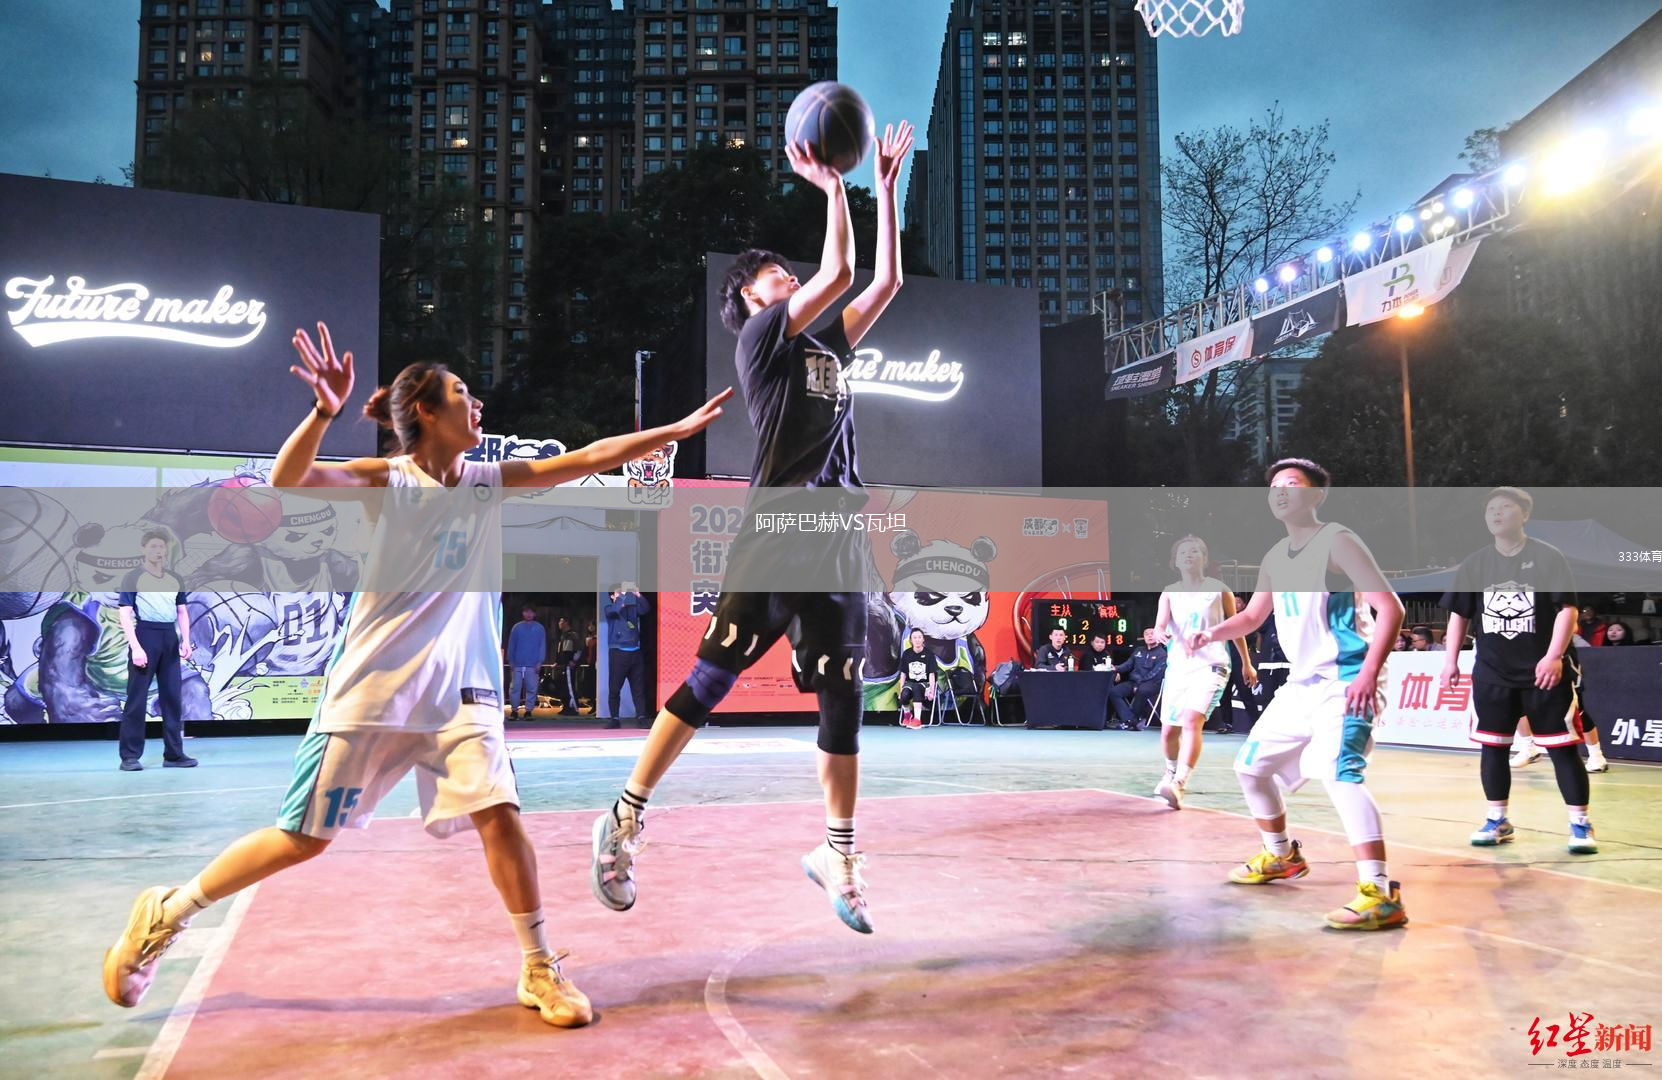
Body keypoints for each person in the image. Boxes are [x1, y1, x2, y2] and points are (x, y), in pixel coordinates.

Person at [101, 320, 732, 1026]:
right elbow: (288, 480)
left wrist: (671, 432)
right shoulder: (390, 481)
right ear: (426, 412)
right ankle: (169, 910)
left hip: (462, 693)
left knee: (501, 818)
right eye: (462, 392)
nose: (478, 403)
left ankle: (538, 966)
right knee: (304, 838)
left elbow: (586, 458)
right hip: (375, 691)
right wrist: (323, 411)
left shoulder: (486, 483)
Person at [589, 122, 915, 937]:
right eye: (775, 273)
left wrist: (886, 189)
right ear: (748, 299)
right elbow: (840, 272)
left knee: (843, 700)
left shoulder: (824, 346)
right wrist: (836, 186)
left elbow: (884, 281)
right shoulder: (763, 339)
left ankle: (838, 851)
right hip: (779, 530)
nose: (788, 275)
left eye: (786, 270)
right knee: (710, 681)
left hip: (838, 537)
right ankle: (624, 816)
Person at [1190, 458, 1407, 931]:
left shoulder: (1338, 542)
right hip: (1303, 684)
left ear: (1316, 496)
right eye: (1275, 486)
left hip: (1347, 678)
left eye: (1292, 483)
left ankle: (1380, 893)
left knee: (1340, 774)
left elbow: (1391, 608)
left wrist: (1369, 673)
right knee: (1250, 767)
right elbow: (1253, 617)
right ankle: (1282, 856)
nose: (1281, 491)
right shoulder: (1274, 557)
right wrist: (1211, 633)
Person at [1439, 486, 1597, 855]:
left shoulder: (1548, 557)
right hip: (1492, 673)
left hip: (1544, 673)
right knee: (1493, 748)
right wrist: (1450, 660)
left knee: (1562, 749)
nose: (1496, 513)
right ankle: (1498, 820)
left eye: (1505, 507)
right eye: (1490, 509)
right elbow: (1459, 614)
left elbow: (1567, 609)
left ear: (1524, 514)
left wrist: (1554, 656)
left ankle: (1580, 823)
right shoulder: (1475, 563)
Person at [1151, 536, 1256, 811]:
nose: (1189, 554)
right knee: (1169, 731)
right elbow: (1160, 625)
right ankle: (1170, 772)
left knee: (1192, 720)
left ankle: (1179, 783)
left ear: (1205, 559)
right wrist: (1160, 633)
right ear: (1175, 562)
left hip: (1212, 664)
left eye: (1195, 551)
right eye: (1183, 552)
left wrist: (1246, 663)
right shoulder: (1169, 593)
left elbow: (1236, 628)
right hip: (1179, 667)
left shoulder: (1220, 590)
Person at [116, 529, 197, 771]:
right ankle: (130, 756)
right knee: (136, 700)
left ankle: (174, 755)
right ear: (143, 549)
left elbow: (182, 611)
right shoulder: (133, 577)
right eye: (153, 546)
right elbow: (124, 613)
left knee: (172, 699)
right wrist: (136, 647)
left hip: (169, 637)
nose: (158, 551)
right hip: (145, 635)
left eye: (161, 547)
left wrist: (185, 640)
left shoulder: (175, 578)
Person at [602, 584, 651, 729]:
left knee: (638, 688)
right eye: (618, 593)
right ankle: (614, 719)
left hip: (635, 653)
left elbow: (646, 608)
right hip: (618, 653)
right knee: (614, 688)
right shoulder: (610, 609)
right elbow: (616, 609)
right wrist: (622, 595)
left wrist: (638, 594)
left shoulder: (631, 609)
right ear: (612, 596)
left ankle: (641, 718)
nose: (623, 594)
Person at [1109, 628, 1166, 730]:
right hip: (1134, 682)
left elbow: (1155, 673)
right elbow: (1128, 664)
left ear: (1158, 636)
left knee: (1142, 690)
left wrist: (1139, 684)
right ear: (1143, 637)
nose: (1149, 636)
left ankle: (1134, 721)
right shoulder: (1139, 650)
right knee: (1114, 692)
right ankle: (1130, 720)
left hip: (1152, 683)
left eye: (1152, 633)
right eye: (1146, 634)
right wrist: (1116, 668)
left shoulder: (1162, 653)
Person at [505, 605, 547, 721]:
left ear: (534, 614)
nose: (528, 614)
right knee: (515, 687)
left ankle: (528, 711)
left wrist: (540, 661)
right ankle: (514, 710)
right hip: (517, 663)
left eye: (531, 612)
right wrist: (510, 660)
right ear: (523, 613)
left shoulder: (539, 628)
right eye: (526, 612)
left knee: (531, 687)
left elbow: (542, 645)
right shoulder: (517, 627)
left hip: (532, 663)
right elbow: (511, 644)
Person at [897, 627, 938, 729]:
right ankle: (907, 715)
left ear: (923, 639)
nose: (917, 640)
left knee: (916, 687)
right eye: (914, 638)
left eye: (919, 637)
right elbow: (903, 674)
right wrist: (901, 690)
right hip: (910, 683)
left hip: (925, 684)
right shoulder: (907, 654)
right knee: (904, 694)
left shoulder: (929, 654)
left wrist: (932, 692)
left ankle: (917, 720)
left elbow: (932, 675)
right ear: (911, 640)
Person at [553, 616, 582, 715]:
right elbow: (560, 651)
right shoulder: (563, 636)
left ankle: (573, 708)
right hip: (564, 665)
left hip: (569, 665)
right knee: (564, 686)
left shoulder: (573, 635)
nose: (559, 623)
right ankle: (566, 706)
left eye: (561, 621)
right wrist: (557, 662)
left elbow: (579, 649)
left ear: (566, 622)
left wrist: (574, 661)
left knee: (569, 686)